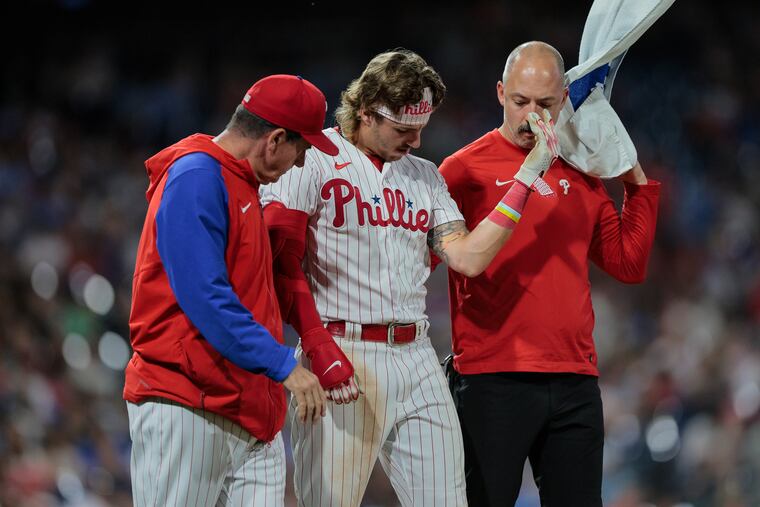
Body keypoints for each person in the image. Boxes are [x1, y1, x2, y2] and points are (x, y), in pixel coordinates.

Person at [260, 48, 559, 507]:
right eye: (403, 129)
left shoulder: (425, 177)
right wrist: (315, 343)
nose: (416, 141)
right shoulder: (315, 159)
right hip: (342, 347)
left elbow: (469, 259)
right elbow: (282, 262)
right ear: (366, 112)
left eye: (421, 128)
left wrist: (526, 175)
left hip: (417, 355)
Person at [439, 41, 661, 506]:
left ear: (563, 99)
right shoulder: (460, 171)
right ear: (500, 93)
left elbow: (628, 263)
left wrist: (630, 171)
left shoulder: (581, 172)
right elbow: (433, 259)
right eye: (520, 102)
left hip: (574, 378)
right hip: (491, 378)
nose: (531, 117)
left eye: (545, 103)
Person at [123, 74, 340, 507]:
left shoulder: (241, 182)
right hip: (186, 402)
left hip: (248, 407)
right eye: (303, 148)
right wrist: (283, 364)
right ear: (276, 139)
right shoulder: (197, 178)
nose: (300, 164)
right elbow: (206, 297)